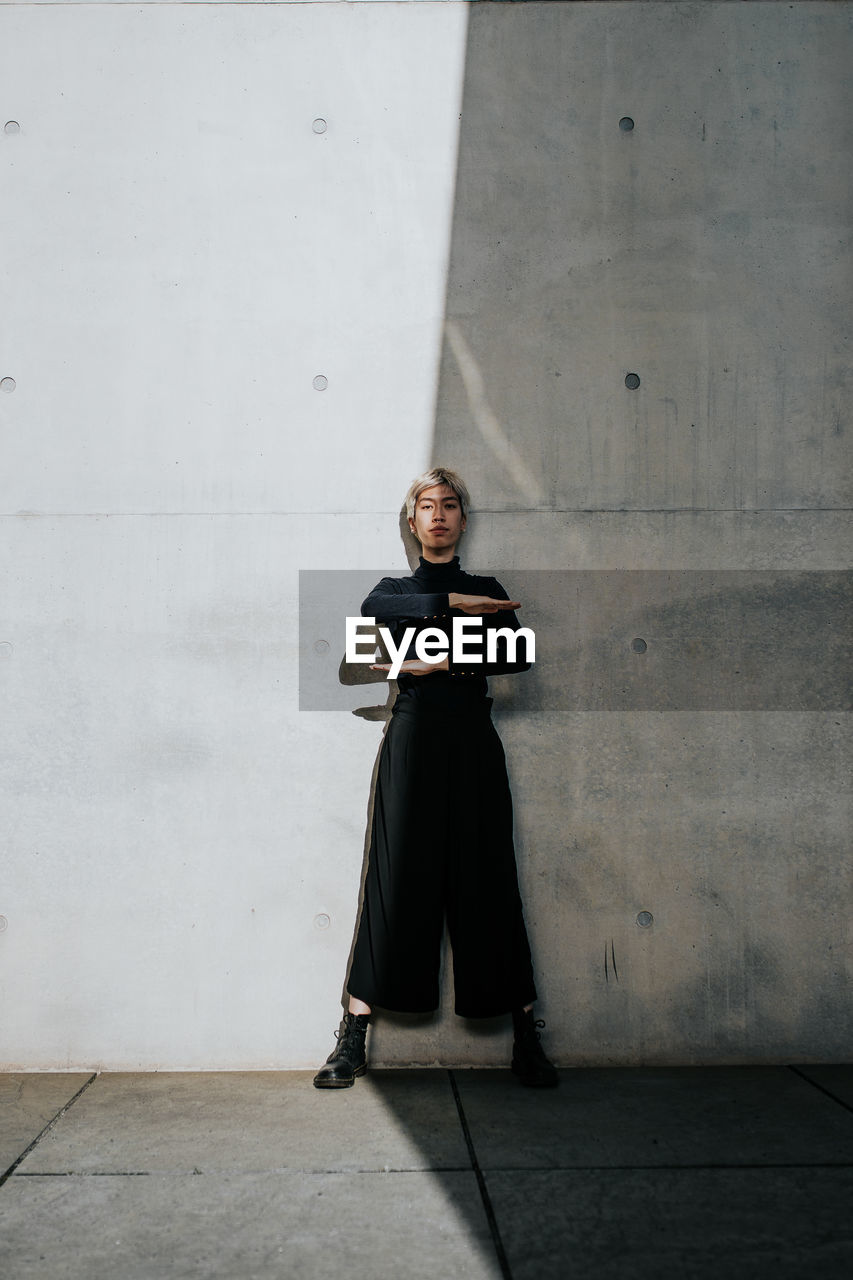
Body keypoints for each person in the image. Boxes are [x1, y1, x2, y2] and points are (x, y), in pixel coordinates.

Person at [313, 467, 557, 1089]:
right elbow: (368, 620)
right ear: (413, 520)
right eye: (428, 506)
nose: (440, 515)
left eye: (450, 505)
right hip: (413, 742)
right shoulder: (395, 588)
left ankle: (527, 1036)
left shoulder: (490, 586)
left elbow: (518, 655)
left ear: (463, 521)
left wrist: (431, 659)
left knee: (489, 879)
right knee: (395, 881)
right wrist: (451, 611)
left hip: (473, 744)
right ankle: (353, 1033)